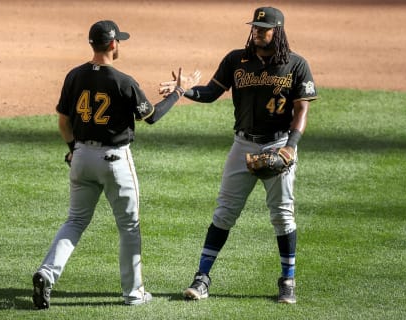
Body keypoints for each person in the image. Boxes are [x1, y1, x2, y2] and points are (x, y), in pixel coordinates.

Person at [32, 20, 200, 309]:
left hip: (82, 158)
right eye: (118, 41)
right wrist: (179, 92)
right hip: (115, 161)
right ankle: (133, 293)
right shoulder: (124, 82)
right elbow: (152, 117)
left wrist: (74, 150)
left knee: (75, 221)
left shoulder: (74, 76)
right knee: (129, 227)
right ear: (113, 45)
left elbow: (63, 120)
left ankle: (47, 273)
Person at [162, 7, 317, 303]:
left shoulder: (296, 65)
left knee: (283, 215)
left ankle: (288, 280)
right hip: (242, 145)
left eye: (264, 27)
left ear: (278, 30)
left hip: (278, 144)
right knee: (224, 213)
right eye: (255, 26)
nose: (257, 31)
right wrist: (184, 91)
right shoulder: (237, 60)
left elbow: (302, 110)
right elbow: (209, 93)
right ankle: (202, 278)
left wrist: (290, 146)